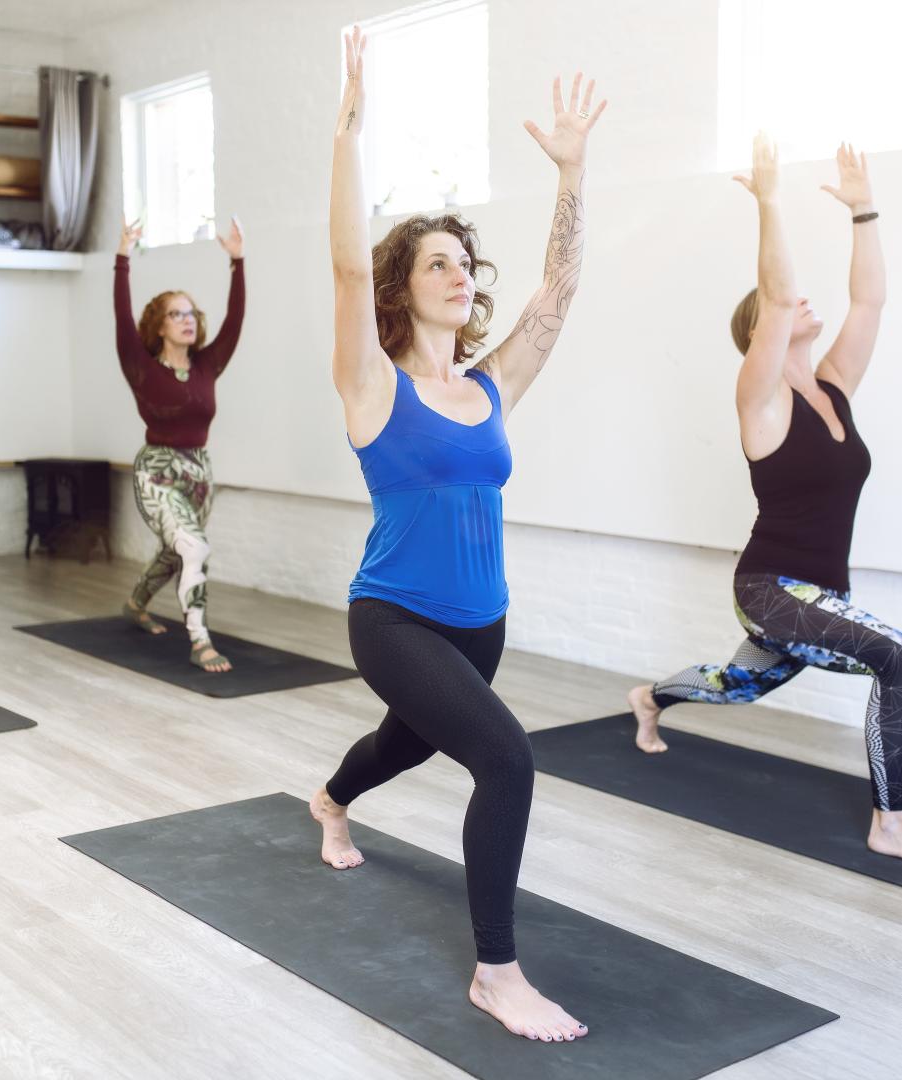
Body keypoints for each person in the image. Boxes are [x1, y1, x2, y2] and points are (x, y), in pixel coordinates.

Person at [311, 26, 605, 1042]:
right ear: (404, 285)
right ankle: (496, 972)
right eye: (438, 263)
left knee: (403, 745)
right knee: (505, 759)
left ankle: (331, 798)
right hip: (391, 615)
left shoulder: (486, 388)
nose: (461, 276)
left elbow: (556, 299)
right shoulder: (371, 385)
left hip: (483, 624)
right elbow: (348, 273)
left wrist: (571, 174)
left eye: (466, 265)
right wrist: (348, 134)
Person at [629, 136, 900, 858]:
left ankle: (649, 699)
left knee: (738, 684)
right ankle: (891, 818)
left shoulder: (833, 384)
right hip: (770, 586)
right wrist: (769, 202)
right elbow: (777, 294)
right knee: (897, 658)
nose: (798, 299)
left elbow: (870, 298)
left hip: (820, 595)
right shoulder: (761, 400)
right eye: (780, 308)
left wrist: (865, 211)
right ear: (758, 335)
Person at [113, 215, 245, 673]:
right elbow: (121, 319)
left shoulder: (208, 364)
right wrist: (122, 258)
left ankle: (135, 604)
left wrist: (237, 262)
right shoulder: (142, 368)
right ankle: (200, 640)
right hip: (157, 470)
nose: (187, 320)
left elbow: (235, 322)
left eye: (191, 313)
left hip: (199, 472)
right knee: (194, 548)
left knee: (176, 553)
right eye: (177, 313)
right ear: (160, 324)